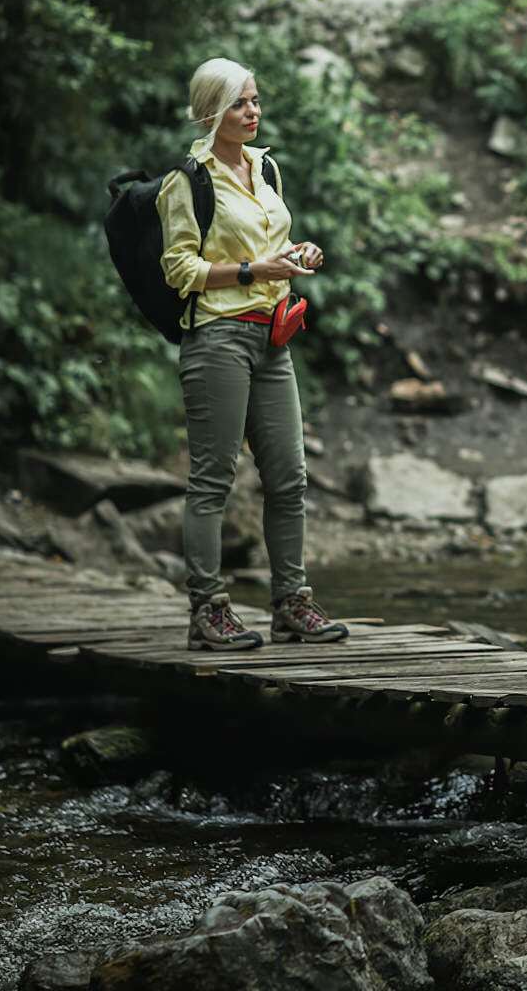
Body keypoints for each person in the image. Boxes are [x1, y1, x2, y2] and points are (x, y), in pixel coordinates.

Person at [157, 57, 348, 651]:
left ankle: (292, 603)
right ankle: (207, 610)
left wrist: (296, 253)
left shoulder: (265, 168)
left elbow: (269, 244)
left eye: (256, 102)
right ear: (213, 109)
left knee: (289, 477)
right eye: (241, 103)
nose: (253, 113)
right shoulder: (187, 181)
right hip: (217, 339)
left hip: (273, 339)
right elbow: (178, 269)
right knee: (213, 479)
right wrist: (250, 269)